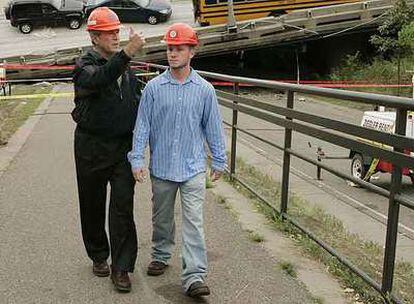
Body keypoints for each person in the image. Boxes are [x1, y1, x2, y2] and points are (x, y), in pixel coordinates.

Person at [128, 23, 227, 298]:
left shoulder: (205, 90)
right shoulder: (153, 89)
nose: (172, 54)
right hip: (162, 168)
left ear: (191, 51)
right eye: (170, 49)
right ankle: (161, 253)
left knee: (193, 221)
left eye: (179, 49)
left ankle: (194, 275)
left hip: (193, 167)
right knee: (162, 218)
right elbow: (143, 126)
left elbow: (213, 127)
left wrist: (219, 159)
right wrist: (137, 159)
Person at [72, 7, 145, 293]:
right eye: (109, 32)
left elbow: (138, 103)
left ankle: (122, 267)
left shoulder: (128, 70)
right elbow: (98, 79)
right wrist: (127, 53)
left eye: (117, 31)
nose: (115, 36)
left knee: (122, 207)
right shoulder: (83, 65)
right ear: (94, 37)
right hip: (91, 146)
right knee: (92, 204)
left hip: (122, 148)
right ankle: (98, 255)